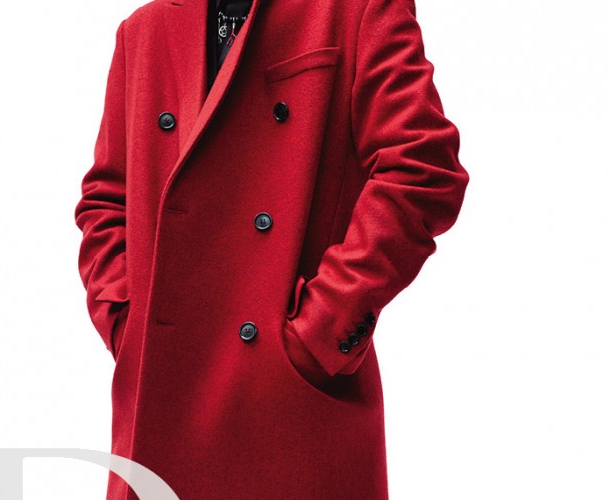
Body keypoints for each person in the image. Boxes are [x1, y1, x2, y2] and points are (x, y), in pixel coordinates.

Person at [74, 0, 469, 498]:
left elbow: (422, 169)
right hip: (160, 406)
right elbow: (106, 199)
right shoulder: (144, 31)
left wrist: (324, 329)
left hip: (288, 413)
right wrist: (125, 320)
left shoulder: (355, 10)